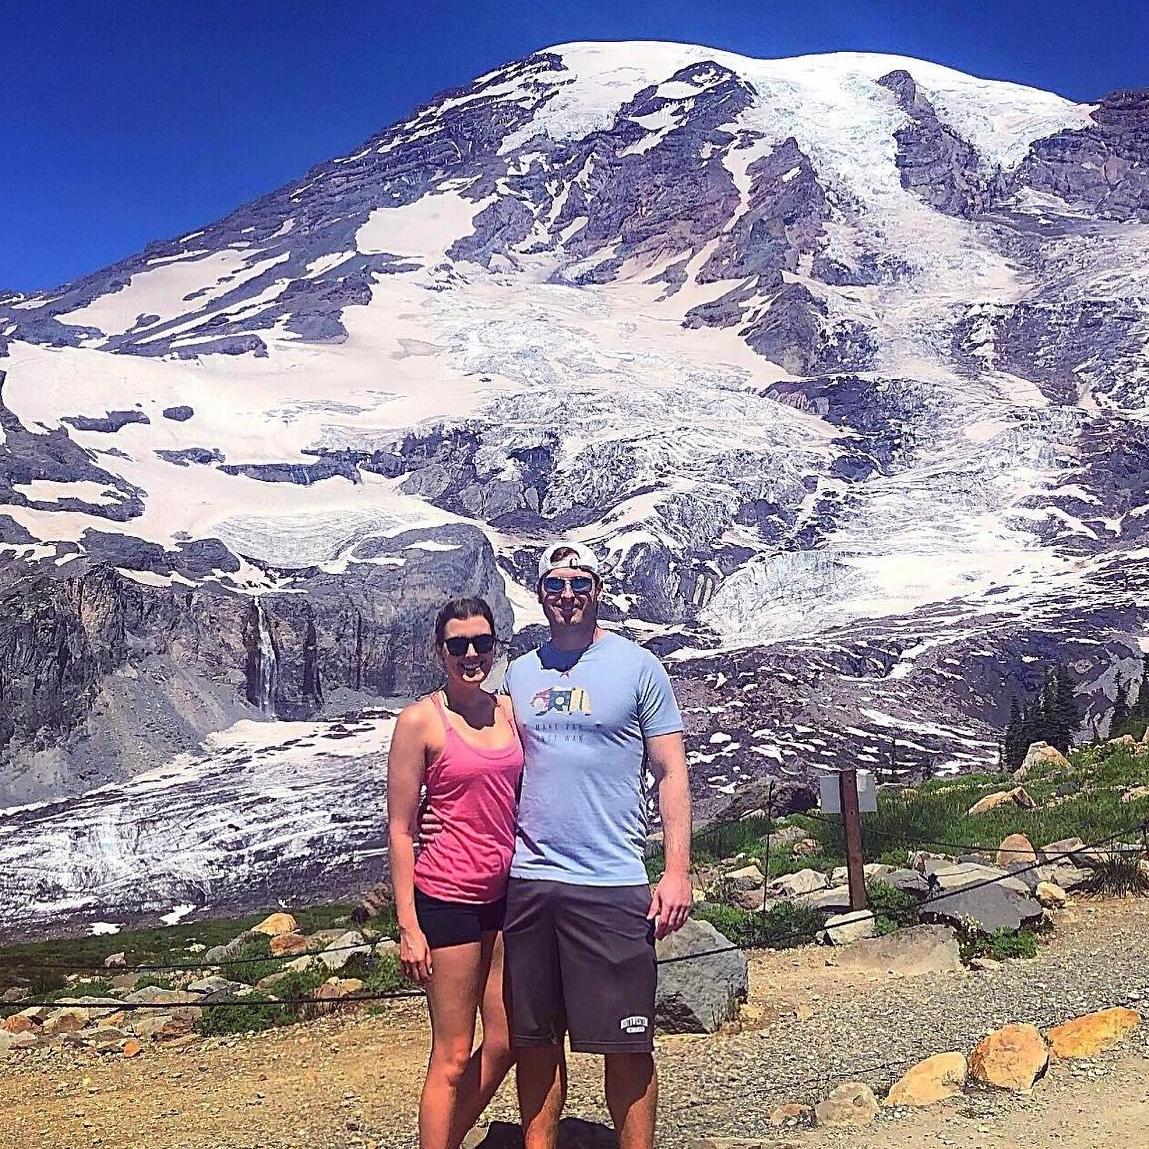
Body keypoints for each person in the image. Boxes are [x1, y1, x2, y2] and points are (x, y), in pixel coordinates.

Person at [501, 541, 693, 1149]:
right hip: (531, 880)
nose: (567, 596)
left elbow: (670, 770)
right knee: (535, 1040)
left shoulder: (638, 667)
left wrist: (676, 870)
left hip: (611, 881)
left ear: (598, 589)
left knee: (626, 1042)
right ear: (540, 595)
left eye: (578, 583)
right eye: (555, 585)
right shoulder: (520, 671)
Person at [387, 596, 524, 1149]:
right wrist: (409, 925)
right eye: (458, 644)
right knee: (452, 1053)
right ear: (439, 650)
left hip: (505, 897)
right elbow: (400, 829)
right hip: (446, 900)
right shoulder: (420, 721)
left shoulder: (509, 711)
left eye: (482, 643)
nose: (471, 653)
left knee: (508, 1040)